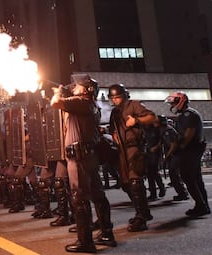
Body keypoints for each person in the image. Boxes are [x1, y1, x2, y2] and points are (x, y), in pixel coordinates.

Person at [51, 74, 116, 253]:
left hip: (78, 156)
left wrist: (59, 92)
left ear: (86, 89)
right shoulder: (90, 105)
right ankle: (107, 233)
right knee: (97, 194)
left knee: (79, 197)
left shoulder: (80, 101)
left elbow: (55, 103)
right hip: (88, 155)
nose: (74, 87)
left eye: (77, 85)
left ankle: (85, 241)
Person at [108, 83, 156, 232]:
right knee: (126, 183)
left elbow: (152, 117)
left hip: (134, 147)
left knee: (135, 181)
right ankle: (144, 212)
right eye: (113, 98)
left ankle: (141, 217)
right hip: (122, 150)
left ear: (124, 95)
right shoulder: (114, 112)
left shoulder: (134, 105)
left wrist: (136, 121)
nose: (116, 100)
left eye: (118, 97)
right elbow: (113, 129)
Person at [165, 91, 210, 217]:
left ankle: (201, 205)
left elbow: (189, 134)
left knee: (188, 177)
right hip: (193, 149)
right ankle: (203, 205)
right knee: (196, 179)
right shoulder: (187, 114)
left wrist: (180, 147)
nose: (172, 106)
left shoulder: (187, 115)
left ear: (180, 101)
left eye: (173, 103)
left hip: (191, 150)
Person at [157, 115, 189, 201]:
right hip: (173, 154)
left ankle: (183, 193)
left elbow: (173, 145)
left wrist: (167, 156)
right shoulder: (163, 130)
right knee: (173, 174)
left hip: (177, 154)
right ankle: (182, 193)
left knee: (174, 173)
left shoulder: (168, 130)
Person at [143, 120, 166, 201]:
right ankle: (153, 193)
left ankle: (161, 188)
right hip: (148, 153)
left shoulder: (156, 129)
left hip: (156, 153)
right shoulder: (144, 130)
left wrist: (156, 147)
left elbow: (162, 140)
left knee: (154, 172)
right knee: (149, 173)